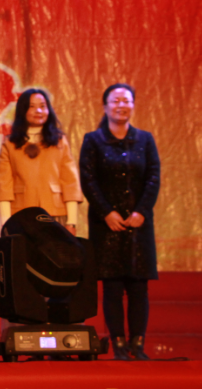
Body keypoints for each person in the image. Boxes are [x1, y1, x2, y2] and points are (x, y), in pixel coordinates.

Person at [79, 83, 161, 361]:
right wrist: (106, 212)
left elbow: (153, 177)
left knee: (138, 287)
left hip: (138, 224)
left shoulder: (145, 139)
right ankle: (119, 344)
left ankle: (138, 344)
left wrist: (141, 212)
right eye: (115, 101)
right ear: (105, 107)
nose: (121, 105)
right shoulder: (93, 140)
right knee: (112, 287)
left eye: (126, 100)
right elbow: (88, 180)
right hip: (107, 225)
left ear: (133, 105)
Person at [0, 88, 82, 233]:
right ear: (23, 110)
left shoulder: (59, 142)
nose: (38, 111)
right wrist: (6, 225)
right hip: (21, 216)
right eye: (32, 106)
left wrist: (71, 223)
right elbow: (3, 187)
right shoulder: (10, 144)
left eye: (42, 106)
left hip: (55, 214)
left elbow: (70, 183)